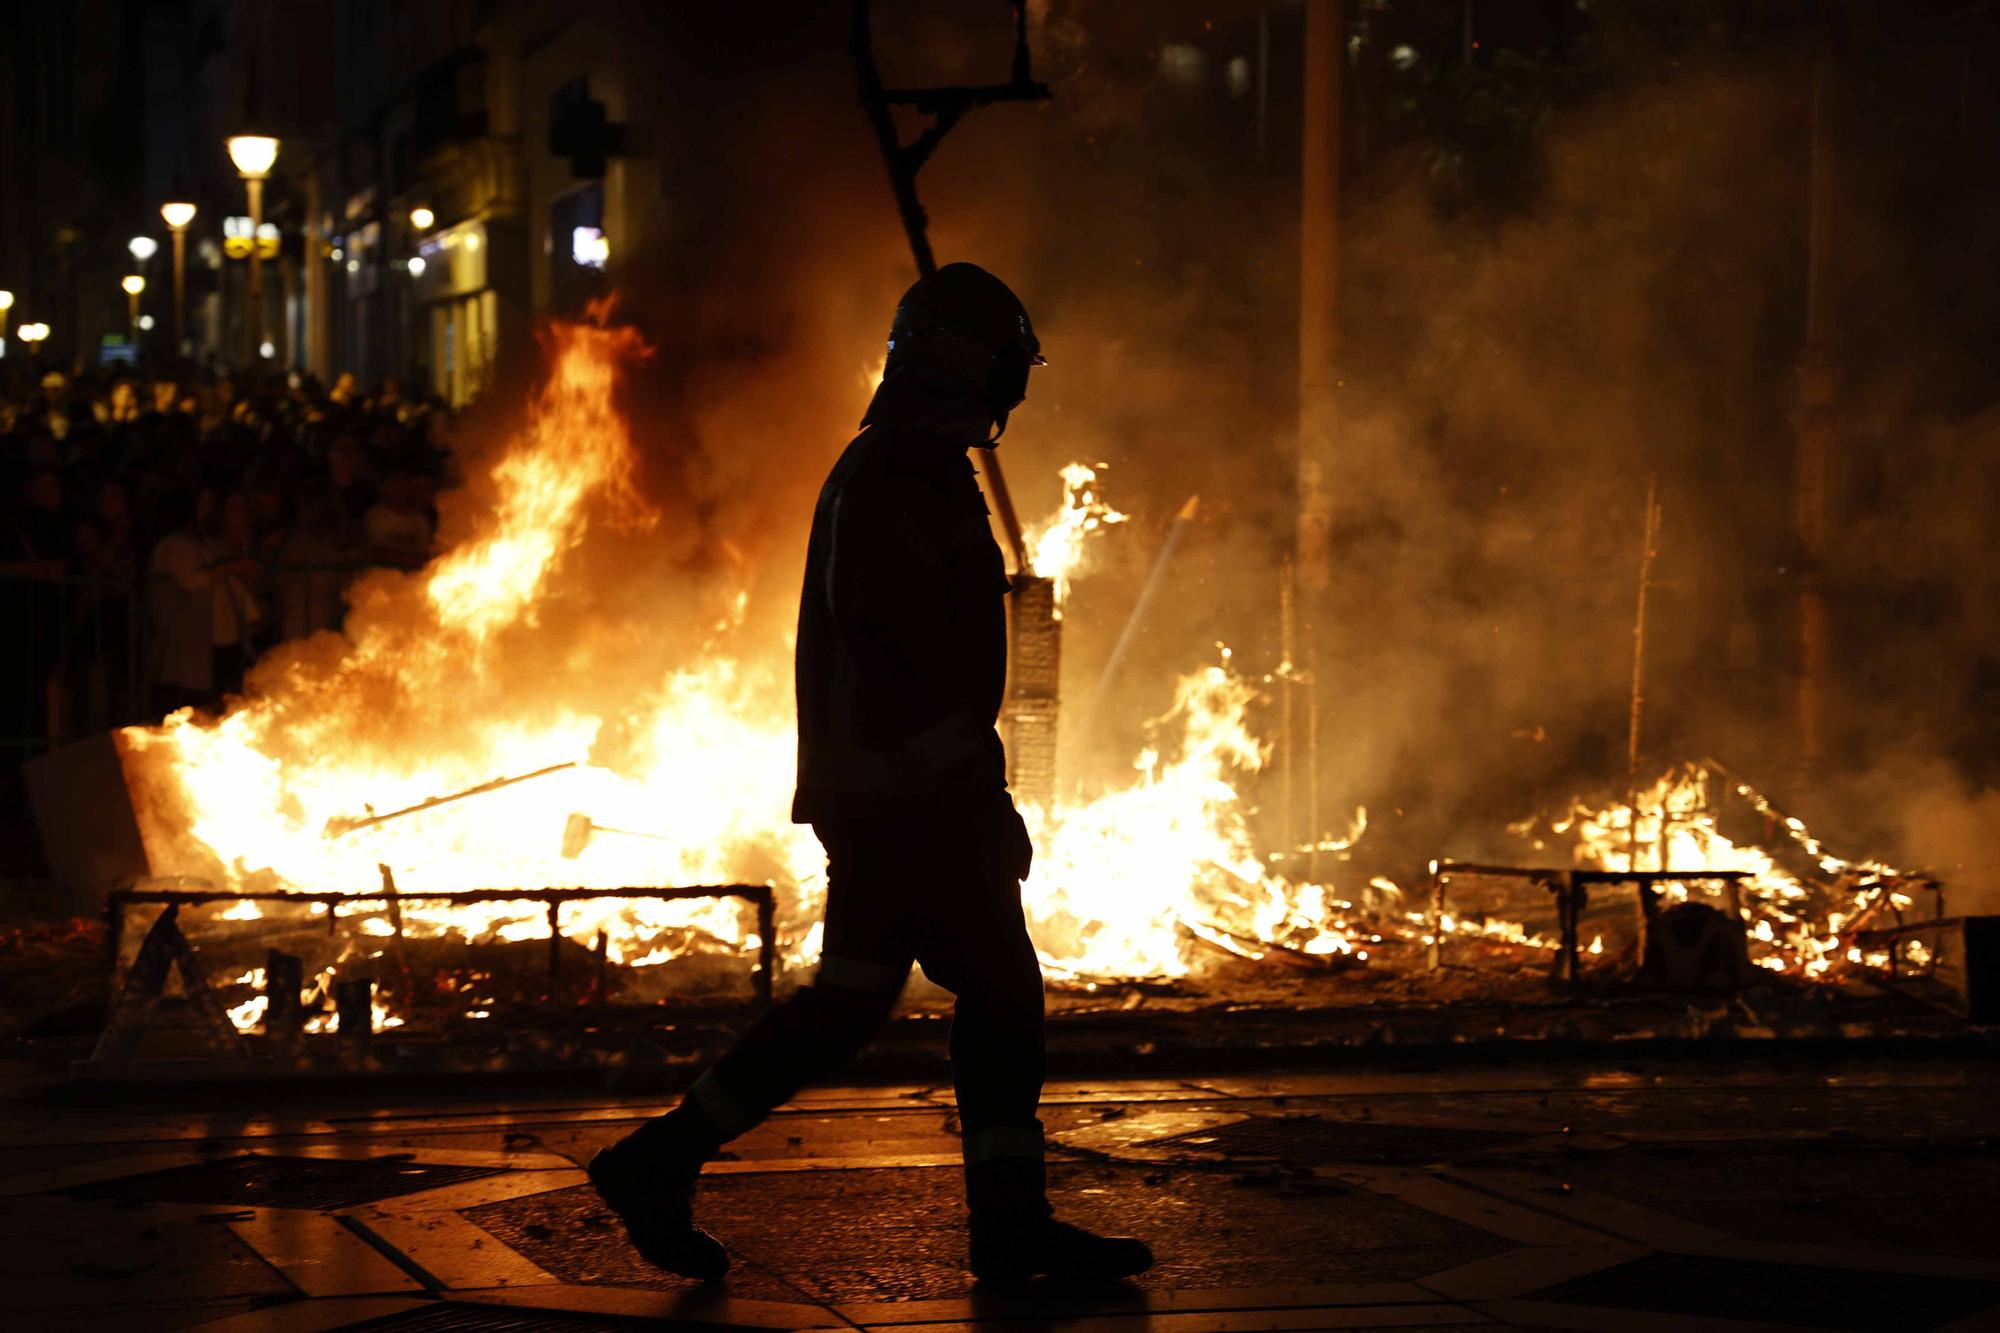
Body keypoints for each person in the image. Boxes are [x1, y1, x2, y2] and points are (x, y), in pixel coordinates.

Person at [587, 264, 1152, 1283]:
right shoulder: (898, 476)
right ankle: (1010, 1229)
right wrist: (972, 790)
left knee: (846, 1002)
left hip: (890, 795)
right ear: (965, 365)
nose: (1010, 393)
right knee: (1001, 990)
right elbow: (896, 654)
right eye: (1003, 369)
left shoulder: (913, 468)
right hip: (911, 801)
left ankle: (656, 1160)